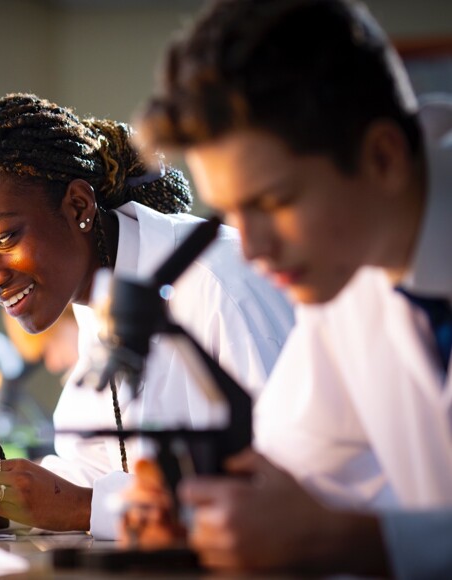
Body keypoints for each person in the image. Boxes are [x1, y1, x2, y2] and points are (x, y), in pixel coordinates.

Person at [138, 0, 452, 576]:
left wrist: (357, 543)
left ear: (383, 157)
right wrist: (198, 502)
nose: (251, 249)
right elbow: (291, 465)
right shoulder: (343, 272)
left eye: (275, 202)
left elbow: (331, 533)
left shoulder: (340, 257)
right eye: (232, 212)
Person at [0, 93, 293, 538]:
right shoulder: (98, 298)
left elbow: (288, 487)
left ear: (78, 207)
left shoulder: (219, 282)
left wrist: (82, 507)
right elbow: (97, 470)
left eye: (4, 239)